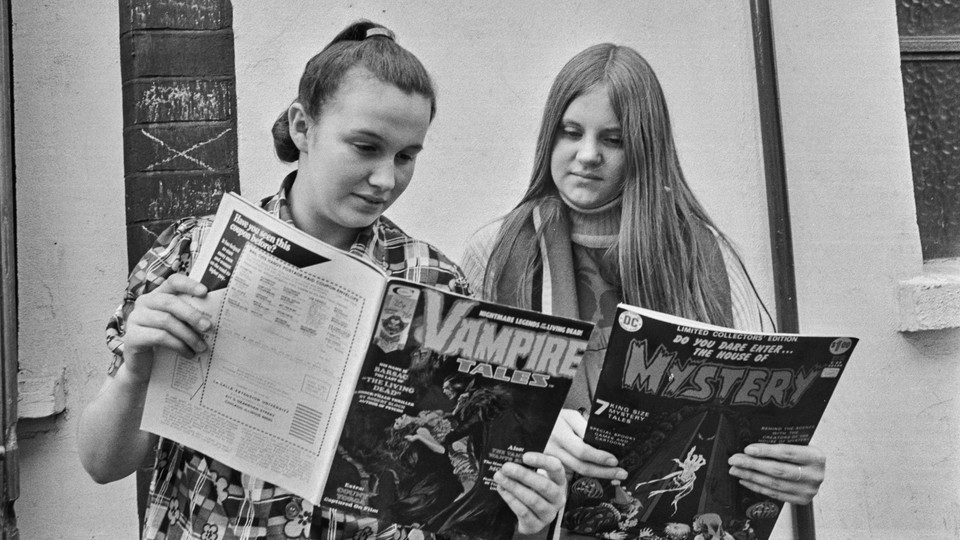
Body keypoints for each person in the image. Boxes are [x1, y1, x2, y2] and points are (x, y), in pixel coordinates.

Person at [78, 21, 565, 540]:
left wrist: (528, 518)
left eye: (406, 157)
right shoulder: (195, 251)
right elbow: (103, 464)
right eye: (365, 146)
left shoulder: (434, 282)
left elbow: (459, 493)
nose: (385, 180)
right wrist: (135, 372)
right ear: (302, 127)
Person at [460, 42, 826, 515]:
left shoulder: (698, 252)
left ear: (645, 149)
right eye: (571, 132)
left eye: (613, 140)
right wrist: (531, 427)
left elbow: (740, 424)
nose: (587, 155)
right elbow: (465, 412)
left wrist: (785, 470)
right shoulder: (495, 249)